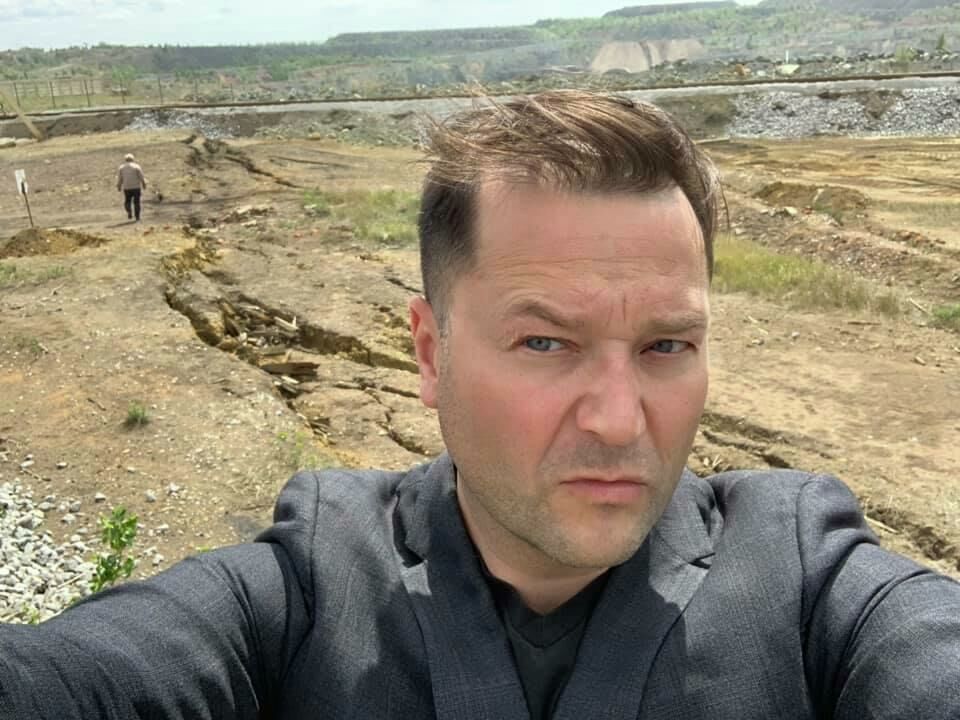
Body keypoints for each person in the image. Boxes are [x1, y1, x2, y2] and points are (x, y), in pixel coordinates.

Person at [2, 90, 959, 719]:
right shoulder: (305, 590)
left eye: (667, 346)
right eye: (545, 342)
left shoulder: (808, 583)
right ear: (431, 352)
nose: (619, 420)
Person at [116, 152, 147, 222]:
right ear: (133, 159)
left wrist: (119, 186)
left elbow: (120, 178)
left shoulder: (121, 168)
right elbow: (141, 176)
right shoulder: (136, 166)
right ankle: (137, 217)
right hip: (136, 187)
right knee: (137, 202)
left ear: (125, 159)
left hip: (127, 187)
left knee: (127, 201)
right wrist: (144, 184)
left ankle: (129, 211)